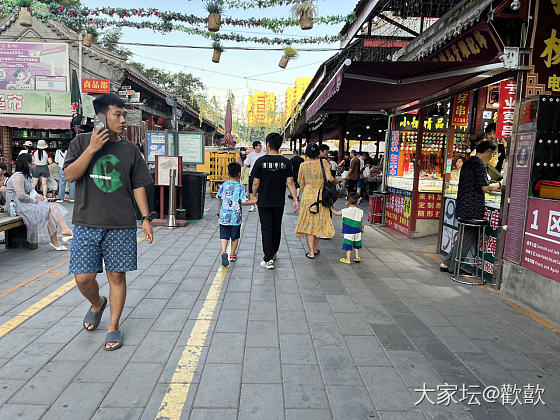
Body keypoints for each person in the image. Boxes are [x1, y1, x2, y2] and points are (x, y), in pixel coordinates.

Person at [64, 93, 154, 351]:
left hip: (121, 224)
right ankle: (96, 303)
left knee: (117, 275)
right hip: (86, 222)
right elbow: (69, 175)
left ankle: (114, 326)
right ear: (101, 116)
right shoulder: (80, 142)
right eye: (118, 114)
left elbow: (138, 185)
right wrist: (93, 148)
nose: (124, 119)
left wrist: (145, 218)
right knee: (83, 277)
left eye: (124, 114)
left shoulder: (130, 149)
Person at [440, 141, 502, 273]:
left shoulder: (467, 163)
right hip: (472, 207)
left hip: (462, 204)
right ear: (488, 152)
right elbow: (485, 187)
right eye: (492, 154)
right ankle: (454, 268)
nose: (492, 157)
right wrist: (500, 184)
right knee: (467, 238)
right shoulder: (479, 165)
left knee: (463, 236)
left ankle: (446, 263)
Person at [5, 153, 73, 249]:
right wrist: (36, 202)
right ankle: (60, 235)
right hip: (16, 206)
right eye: (33, 161)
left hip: (25, 204)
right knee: (51, 208)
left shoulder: (27, 176)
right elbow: (21, 196)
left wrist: (43, 199)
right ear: (28, 164)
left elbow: (33, 193)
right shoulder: (18, 176)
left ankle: (58, 237)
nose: (35, 163)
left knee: (52, 208)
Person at [252, 133, 298, 269]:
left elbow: (255, 182)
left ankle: (268, 259)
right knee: (276, 227)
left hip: (264, 201)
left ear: (267, 145)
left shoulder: (260, 161)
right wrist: (295, 199)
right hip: (279, 201)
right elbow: (290, 182)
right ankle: (273, 252)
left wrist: (254, 196)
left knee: (266, 228)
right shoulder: (286, 162)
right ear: (279, 145)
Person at [295, 143, 336, 259]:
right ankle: (315, 248)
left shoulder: (303, 165)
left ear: (307, 153)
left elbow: (300, 182)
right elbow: (329, 178)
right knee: (318, 222)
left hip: (307, 197)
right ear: (318, 152)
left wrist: (307, 187)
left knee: (309, 223)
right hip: (321, 196)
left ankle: (311, 252)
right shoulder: (324, 163)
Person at [217, 162, 257, 266]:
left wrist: (218, 213)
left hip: (223, 216)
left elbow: (220, 200)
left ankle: (224, 251)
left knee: (224, 235)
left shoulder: (224, 185)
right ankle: (232, 255)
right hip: (235, 217)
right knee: (234, 236)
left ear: (228, 173)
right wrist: (254, 201)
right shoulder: (240, 187)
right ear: (239, 174)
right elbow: (243, 202)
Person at [332, 193, 364, 264]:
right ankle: (357, 257)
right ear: (357, 202)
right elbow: (361, 221)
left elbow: (336, 213)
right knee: (356, 244)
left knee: (348, 245)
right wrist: (362, 229)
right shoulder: (360, 211)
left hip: (348, 232)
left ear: (347, 202)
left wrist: (331, 208)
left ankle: (348, 259)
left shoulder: (344, 211)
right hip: (357, 231)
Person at [242, 141, 266, 212]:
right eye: (259, 145)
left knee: (261, 190)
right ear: (255, 146)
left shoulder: (263, 154)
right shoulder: (251, 155)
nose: (260, 146)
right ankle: (252, 205)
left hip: (262, 175)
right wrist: (242, 173)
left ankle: (260, 203)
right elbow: (245, 164)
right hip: (252, 174)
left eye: (261, 145)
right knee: (251, 191)